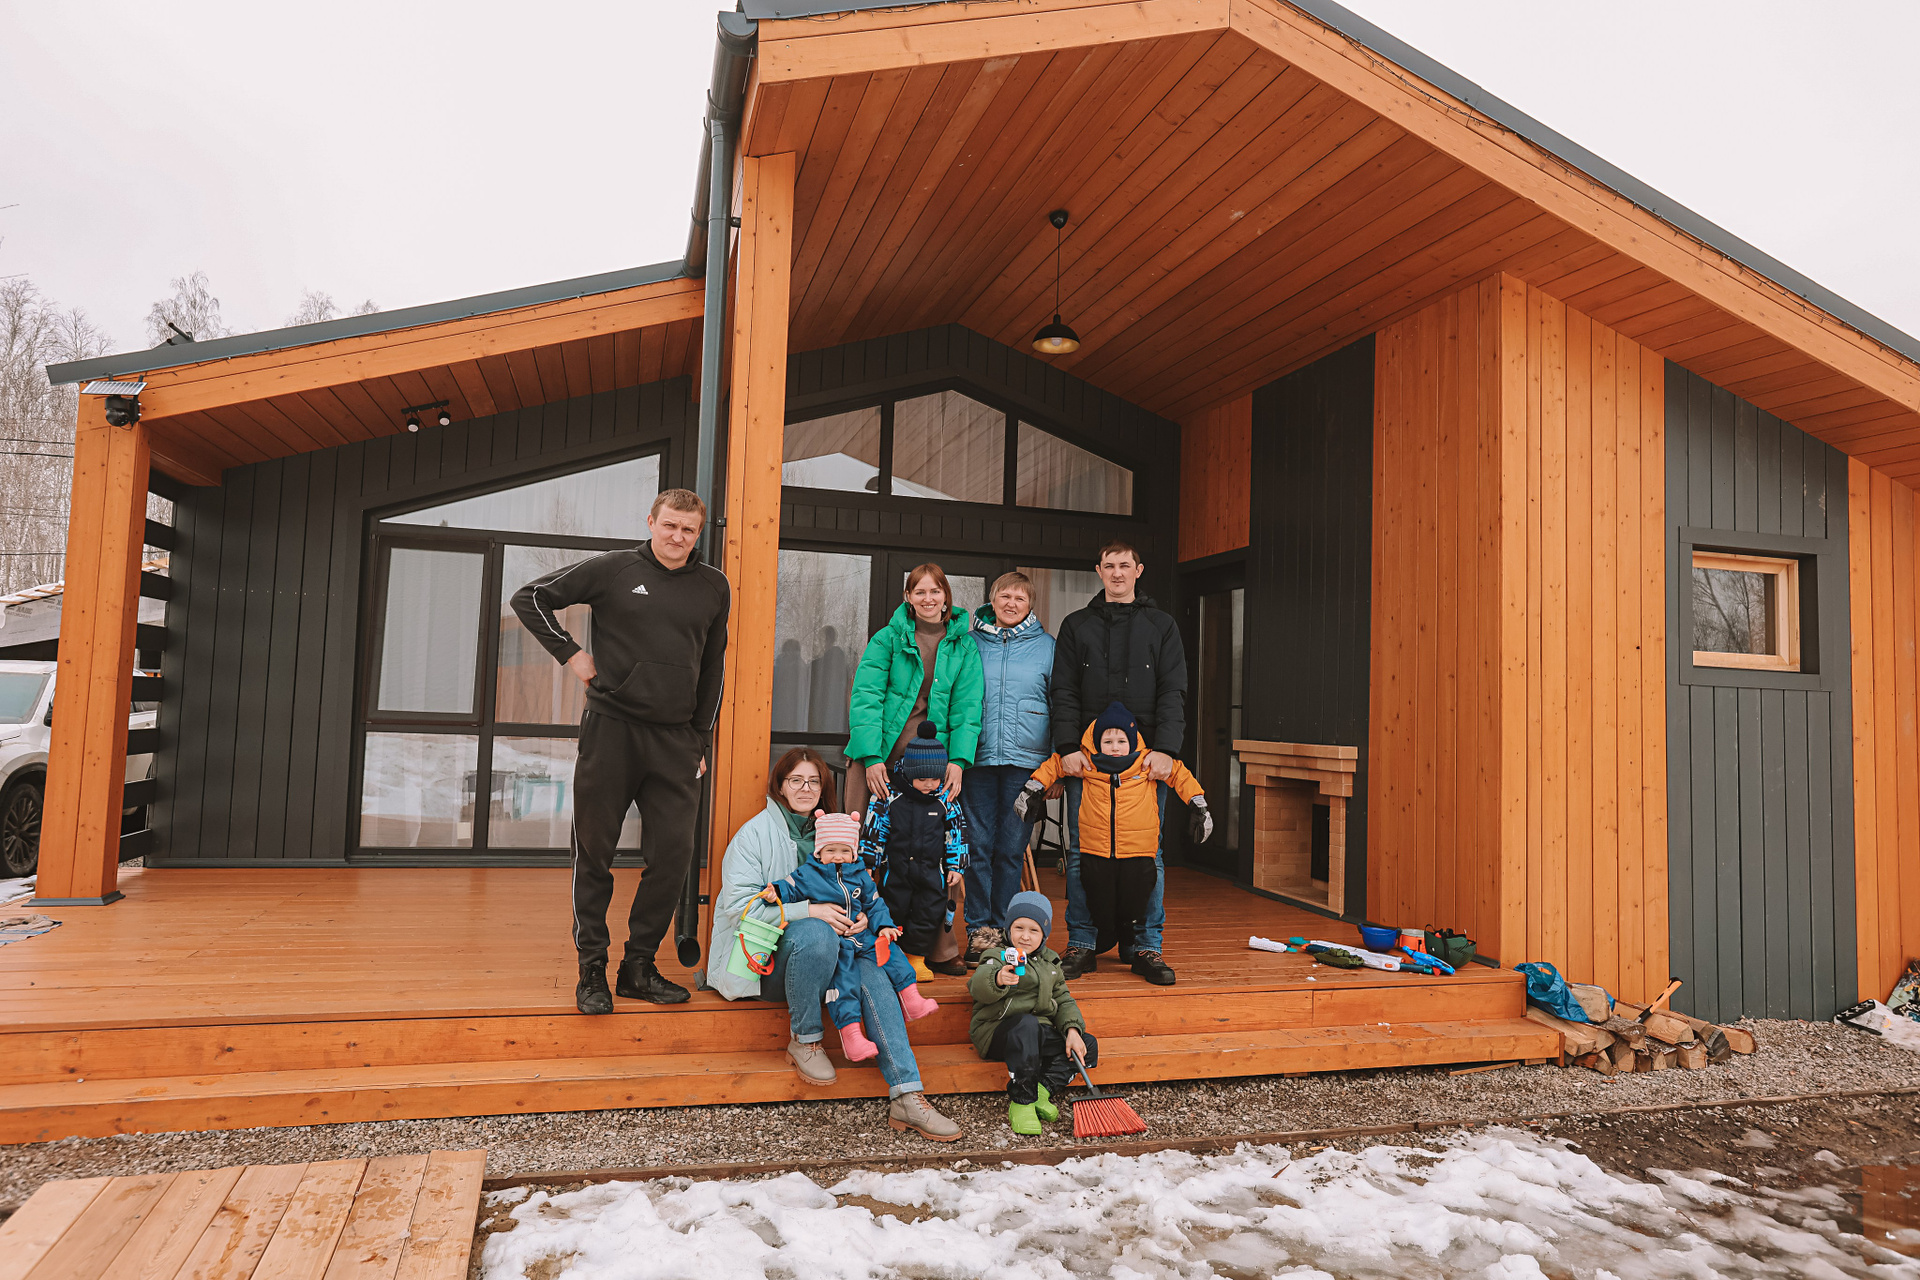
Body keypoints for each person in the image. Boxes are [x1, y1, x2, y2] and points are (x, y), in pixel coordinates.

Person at [510, 488, 729, 1013]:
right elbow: (530, 598)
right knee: (595, 853)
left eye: (689, 529)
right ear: (651, 522)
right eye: (670, 525)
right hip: (612, 729)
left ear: (698, 534)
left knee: (673, 856)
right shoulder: (614, 569)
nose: (678, 536)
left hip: (675, 740)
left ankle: (638, 967)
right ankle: (591, 969)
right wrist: (571, 654)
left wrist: (700, 739)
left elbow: (713, 667)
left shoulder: (713, 586)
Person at [705, 748, 961, 1141]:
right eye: (796, 780)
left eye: (814, 781)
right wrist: (810, 911)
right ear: (780, 786)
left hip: (841, 956)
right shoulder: (753, 835)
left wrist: (863, 917)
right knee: (817, 932)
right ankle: (805, 1040)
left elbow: (862, 891)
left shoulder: (838, 833)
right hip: (768, 963)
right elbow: (738, 909)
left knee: (875, 970)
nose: (805, 788)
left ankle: (907, 1094)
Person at [1048, 540, 1188, 986]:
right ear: (1099, 571)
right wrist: (1067, 746)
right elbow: (1063, 690)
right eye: (1109, 566)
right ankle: (1082, 943)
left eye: (1125, 565)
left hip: (1146, 767)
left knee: (1149, 854)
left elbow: (1173, 690)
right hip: (1086, 764)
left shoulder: (1162, 626)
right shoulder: (1077, 625)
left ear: (1138, 570)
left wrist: (1166, 750)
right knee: (1080, 854)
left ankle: (1146, 946)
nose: (1117, 573)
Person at [846, 563, 983, 974]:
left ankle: (939, 948)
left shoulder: (964, 646)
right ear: (908, 597)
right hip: (882, 756)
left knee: (938, 851)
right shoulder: (887, 639)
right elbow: (866, 696)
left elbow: (967, 708)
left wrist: (958, 761)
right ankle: (859, 939)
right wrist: (871, 757)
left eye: (934, 591)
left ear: (946, 596)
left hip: (934, 765)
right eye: (919, 591)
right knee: (863, 846)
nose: (928, 598)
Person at [1018, 702, 1210, 966]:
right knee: (1098, 900)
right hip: (1096, 851)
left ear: (1133, 742)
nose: (1115, 747)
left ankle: (1136, 945)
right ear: (1097, 743)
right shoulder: (1087, 762)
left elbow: (1179, 774)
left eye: (1121, 741)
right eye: (1107, 742)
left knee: (1136, 900)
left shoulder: (1145, 763)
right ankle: (1097, 941)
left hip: (1138, 853)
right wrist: (1032, 788)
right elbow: (1055, 765)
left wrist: (1198, 804)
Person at [756, 810, 938, 1061]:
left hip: (861, 937)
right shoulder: (809, 874)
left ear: (853, 853)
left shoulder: (860, 876)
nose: (837, 856)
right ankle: (852, 1037)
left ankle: (911, 998)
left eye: (844, 851)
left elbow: (874, 904)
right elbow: (789, 888)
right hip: (837, 943)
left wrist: (884, 926)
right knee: (845, 983)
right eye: (830, 850)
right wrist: (773, 892)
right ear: (819, 852)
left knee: (891, 951)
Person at [962, 571, 1055, 967]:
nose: (1011, 603)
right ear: (992, 599)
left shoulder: (1048, 647)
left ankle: (1006, 928)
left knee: (1012, 848)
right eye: (1005, 596)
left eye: (1020, 597)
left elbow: (1060, 704)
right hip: (977, 759)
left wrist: (1054, 766)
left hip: (1026, 764)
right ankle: (979, 930)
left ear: (1030, 604)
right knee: (977, 846)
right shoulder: (969, 643)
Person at [968, 890, 1094, 1136]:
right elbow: (978, 986)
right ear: (1008, 929)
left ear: (1044, 934)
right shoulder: (997, 956)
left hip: (1036, 1033)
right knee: (1026, 1025)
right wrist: (998, 978)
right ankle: (1022, 1101)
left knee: (1086, 1044)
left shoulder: (1051, 962)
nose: (1025, 936)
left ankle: (1041, 1091)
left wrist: (1071, 1029)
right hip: (998, 1032)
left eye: (1034, 930)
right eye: (1019, 928)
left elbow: (1063, 999)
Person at [861, 723, 968, 981]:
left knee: (927, 912)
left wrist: (956, 865)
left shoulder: (944, 799)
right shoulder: (890, 796)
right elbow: (875, 828)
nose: (929, 785)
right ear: (909, 774)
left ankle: (916, 958)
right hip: (896, 871)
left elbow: (957, 832)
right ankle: (891, 955)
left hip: (931, 873)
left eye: (935, 779)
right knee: (892, 908)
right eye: (922, 779)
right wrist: (869, 862)